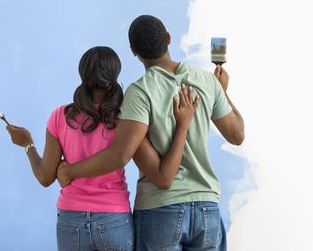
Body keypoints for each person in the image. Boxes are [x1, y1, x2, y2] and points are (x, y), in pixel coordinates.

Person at [57, 16, 245, 251]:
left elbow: (120, 155)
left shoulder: (139, 92)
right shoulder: (207, 81)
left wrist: (69, 171)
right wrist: (222, 91)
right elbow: (237, 135)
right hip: (207, 206)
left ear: (133, 51)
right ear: (168, 38)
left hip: (160, 209)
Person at [6, 45, 199, 251]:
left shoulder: (60, 116)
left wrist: (28, 144)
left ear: (82, 74)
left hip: (71, 220)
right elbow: (155, 170)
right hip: (114, 219)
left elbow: (45, 177)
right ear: (114, 74)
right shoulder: (126, 119)